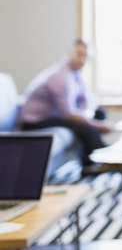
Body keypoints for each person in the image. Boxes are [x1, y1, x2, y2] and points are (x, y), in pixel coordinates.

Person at [19, 39, 112, 167]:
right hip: (34, 121)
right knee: (86, 129)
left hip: (56, 116)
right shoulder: (60, 77)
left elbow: (86, 99)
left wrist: (89, 112)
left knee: (100, 113)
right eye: (79, 54)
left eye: (86, 56)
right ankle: (105, 161)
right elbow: (68, 115)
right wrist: (98, 125)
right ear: (70, 53)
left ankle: (90, 159)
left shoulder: (77, 73)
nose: (82, 60)